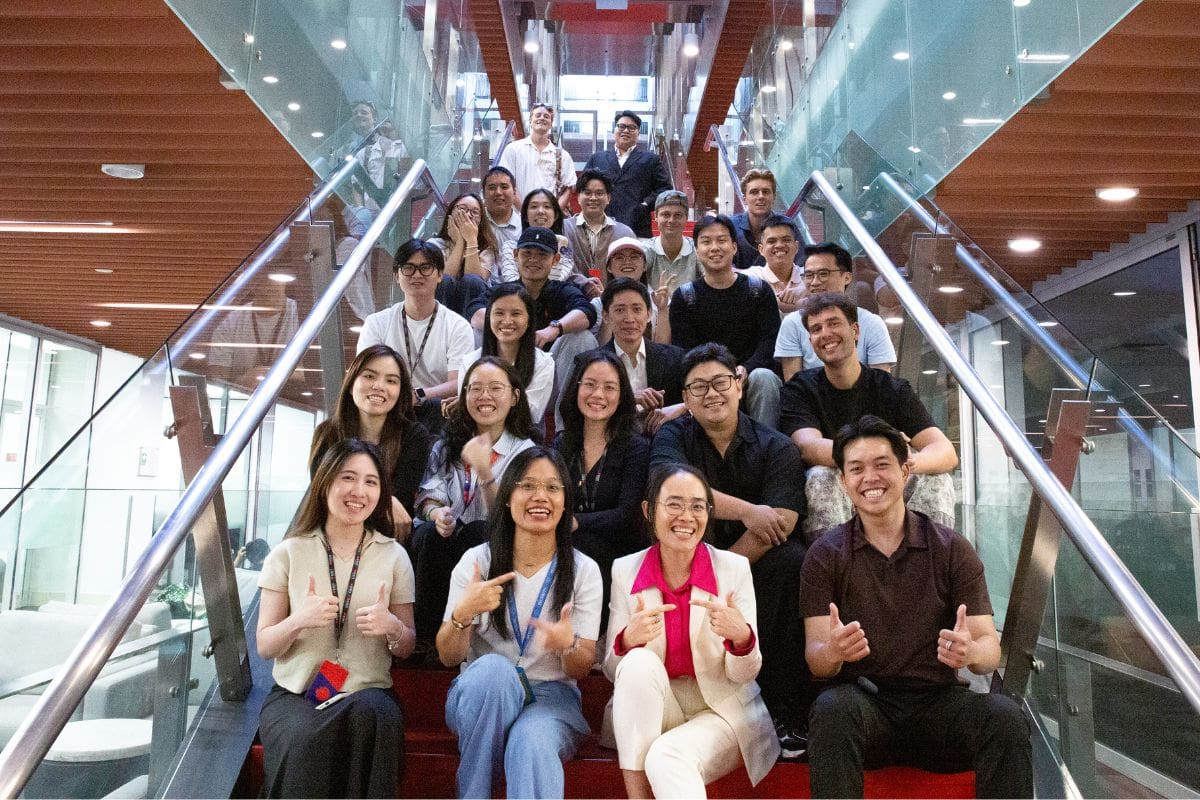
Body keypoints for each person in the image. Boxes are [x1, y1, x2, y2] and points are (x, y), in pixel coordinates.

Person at [801, 416, 1031, 798]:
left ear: (905, 470)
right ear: (843, 482)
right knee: (830, 710)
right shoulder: (825, 555)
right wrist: (835, 651)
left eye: (882, 464)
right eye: (856, 469)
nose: (869, 478)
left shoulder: (951, 548)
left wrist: (972, 651)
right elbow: (816, 659)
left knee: (1005, 718)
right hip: (866, 706)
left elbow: (989, 653)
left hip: (938, 705)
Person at [649, 343, 810, 757]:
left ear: (739, 385)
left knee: (791, 561)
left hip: (749, 564)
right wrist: (751, 511)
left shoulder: (776, 446)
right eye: (697, 387)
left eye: (720, 382)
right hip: (686, 558)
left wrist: (724, 573)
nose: (711, 394)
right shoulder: (672, 435)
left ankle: (781, 709)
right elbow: (676, 494)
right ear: (684, 398)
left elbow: (784, 520)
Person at [437, 447, 602, 799]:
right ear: (508, 497)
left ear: (565, 504)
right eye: (528, 485)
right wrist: (463, 614)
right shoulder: (477, 562)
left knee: (530, 741)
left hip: (551, 698)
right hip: (483, 697)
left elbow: (583, 666)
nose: (540, 496)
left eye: (553, 488)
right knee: (494, 672)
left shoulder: (584, 570)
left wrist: (566, 646)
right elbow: (449, 657)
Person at [606, 464, 779, 798]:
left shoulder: (733, 569)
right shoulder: (625, 570)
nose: (686, 516)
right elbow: (616, 673)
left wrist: (740, 638)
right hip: (657, 708)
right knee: (638, 663)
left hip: (722, 710)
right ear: (648, 510)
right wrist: (628, 640)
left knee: (667, 757)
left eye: (698, 506)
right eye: (674, 504)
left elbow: (745, 674)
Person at [256, 439, 416, 798]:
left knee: (375, 717)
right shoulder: (288, 553)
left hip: (368, 690)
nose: (359, 491)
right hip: (300, 693)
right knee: (303, 738)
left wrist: (391, 626)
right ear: (326, 482)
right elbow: (266, 645)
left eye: (371, 482)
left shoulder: (394, 556)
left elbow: (406, 646)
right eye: (348, 477)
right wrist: (300, 620)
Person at [779, 293, 957, 540]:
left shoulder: (891, 388)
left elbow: (945, 452)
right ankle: (834, 567)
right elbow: (808, 447)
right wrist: (880, 453)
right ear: (811, 340)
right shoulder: (800, 388)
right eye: (816, 329)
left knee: (938, 481)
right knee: (821, 477)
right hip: (839, 481)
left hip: (886, 479)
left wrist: (905, 462)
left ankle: (930, 566)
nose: (825, 334)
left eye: (833, 323)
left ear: (855, 330)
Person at [410, 357, 538, 643]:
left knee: (481, 531)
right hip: (448, 537)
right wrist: (437, 514)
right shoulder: (447, 443)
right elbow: (429, 495)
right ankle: (430, 639)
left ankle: (480, 632)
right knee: (430, 534)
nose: (485, 397)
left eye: (495, 388)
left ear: (515, 397)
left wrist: (484, 472)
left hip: (499, 540)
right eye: (475, 388)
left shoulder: (526, 452)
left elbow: (512, 516)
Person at [553, 349, 650, 627]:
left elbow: (627, 514)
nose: (598, 395)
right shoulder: (562, 444)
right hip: (568, 541)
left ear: (622, 396)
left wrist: (574, 522)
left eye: (609, 387)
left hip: (617, 549)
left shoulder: (636, 448)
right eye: (590, 385)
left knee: (583, 545)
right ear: (576, 389)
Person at [467, 227, 599, 427]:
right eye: (527, 253)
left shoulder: (561, 290)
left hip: (549, 377)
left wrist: (555, 328)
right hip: (503, 375)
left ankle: (565, 430)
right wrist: (513, 329)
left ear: (555, 260)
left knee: (582, 337)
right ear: (515, 255)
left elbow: (587, 312)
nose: (533, 260)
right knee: (477, 330)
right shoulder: (504, 292)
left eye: (542, 254)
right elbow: (475, 312)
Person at [309, 344, 434, 543]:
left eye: (391, 381)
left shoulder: (414, 436)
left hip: (387, 538)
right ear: (351, 384)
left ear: (400, 391)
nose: (379, 386)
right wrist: (387, 501)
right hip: (335, 533)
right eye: (369, 376)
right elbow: (323, 495)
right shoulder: (328, 433)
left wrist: (391, 503)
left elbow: (401, 501)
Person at [668, 214, 782, 429]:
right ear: (696, 249)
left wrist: (745, 369)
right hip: (706, 377)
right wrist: (719, 376)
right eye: (706, 241)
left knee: (764, 377)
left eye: (721, 240)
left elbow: (770, 340)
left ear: (734, 247)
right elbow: (685, 350)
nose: (714, 247)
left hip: (750, 376)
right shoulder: (684, 297)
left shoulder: (758, 290)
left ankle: (766, 446)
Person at [357, 239, 476, 433]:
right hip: (387, 405)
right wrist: (399, 396)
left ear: (439, 275)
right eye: (408, 268)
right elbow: (366, 375)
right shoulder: (376, 322)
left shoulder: (458, 326)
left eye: (425, 268)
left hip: (435, 413)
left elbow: (458, 384)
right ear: (397, 275)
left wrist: (417, 395)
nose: (417, 275)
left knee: (437, 407)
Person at [775, 242, 895, 380]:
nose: (814, 282)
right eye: (809, 275)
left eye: (823, 274)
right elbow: (794, 386)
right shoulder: (792, 323)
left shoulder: (872, 323)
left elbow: (883, 385)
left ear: (847, 277)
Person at [457, 284, 556, 425]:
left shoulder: (543, 363)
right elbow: (467, 411)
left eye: (516, 314)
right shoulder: (470, 361)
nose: (507, 321)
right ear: (488, 318)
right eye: (499, 313)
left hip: (522, 436)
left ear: (529, 320)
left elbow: (531, 414)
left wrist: (483, 404)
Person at [599, 278, 686, 435]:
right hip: (611, 438)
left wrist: (681, 408)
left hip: (664, 438)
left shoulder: (674, 357)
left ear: (648, 314)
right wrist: (627, 399)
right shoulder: (591, 363)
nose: (629, 319)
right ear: (606, 316)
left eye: (637, 309)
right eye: (619, 310)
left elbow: (696, 398)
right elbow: (574, 411)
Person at [583, 110, 672, 237]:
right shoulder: (597, 158)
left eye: (631, 128)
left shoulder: (651, 159)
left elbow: (665, 189)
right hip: (600, 224)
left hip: (636, 225)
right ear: (614, 130)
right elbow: (583, 187)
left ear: (638, 133)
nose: (626, 130)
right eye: (621, 126)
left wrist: (646, 204)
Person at [591, 237, 671, 346]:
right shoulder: (598, 304)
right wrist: (607, 305)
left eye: (634, 257)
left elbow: (663, 352)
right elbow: (601, 350)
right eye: (619, 257)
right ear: (609, 267)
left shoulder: (659, 300)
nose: (627, 262)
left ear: (644, 266)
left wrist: (662, 310)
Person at [498, 103, 577, 207]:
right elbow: (505, 183)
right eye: (538, 115)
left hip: (549, 220)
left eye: (546, 116)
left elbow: (569, 188)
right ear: (530, 121)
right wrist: (524, 213)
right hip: (518, 218)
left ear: (551, 123)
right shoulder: (513, 149)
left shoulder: (562, 156)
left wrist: (553, 213)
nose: (542, 118)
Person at [564, 170, 637, 280]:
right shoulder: (565, 228)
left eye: (599, 193)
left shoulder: (625, 233)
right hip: (573, 294)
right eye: (587, 193)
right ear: (578, 197)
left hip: (613, 295)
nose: (593, 198)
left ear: (608, 198)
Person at [498, 188, 576, 284]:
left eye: (547, 206)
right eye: (534, 206)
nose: (540, 211)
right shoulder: (510, 246)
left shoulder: (563, 247)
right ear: (525, 215)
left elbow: (556, 282)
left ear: (555, 215)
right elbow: (510, 282)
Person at [738, 213, 806, 316]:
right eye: (771, 241)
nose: (779, 245)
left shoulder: (809, 277)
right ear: (761, 249)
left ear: (796, 247)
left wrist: (806, 290)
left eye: (786, 240)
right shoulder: (751, 276)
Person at [430, 192, 500, 284]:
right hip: (442, 297)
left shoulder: (487, 247)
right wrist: (460, 242)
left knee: (472, 280)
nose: (468, 215)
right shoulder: (434, 244)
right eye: (462, 209)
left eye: (475, 212)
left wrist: (471, 240)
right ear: (450, 213)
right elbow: (441, 281)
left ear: (481, 220)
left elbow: (476, 283)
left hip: (477, 297)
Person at [643, 189, 698, 289]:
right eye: (665, 215)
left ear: (686, 218)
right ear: (656, 216)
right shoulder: (645, 250)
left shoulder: (697, 249)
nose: (671, 220)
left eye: (678, 215)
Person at [731, 168, 783, 269]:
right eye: (754, 192)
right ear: (744, 198)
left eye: (766, 192)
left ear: (774, 197)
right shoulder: (730, 227)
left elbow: (801, 265)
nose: (761, 197)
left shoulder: (787, 226)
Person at [482, 166, 522, 249]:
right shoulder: (476, 223)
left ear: (514, 192)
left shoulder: (524, 228)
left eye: (504, 187)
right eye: (492, 188)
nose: (498, 192)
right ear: (483, 194)